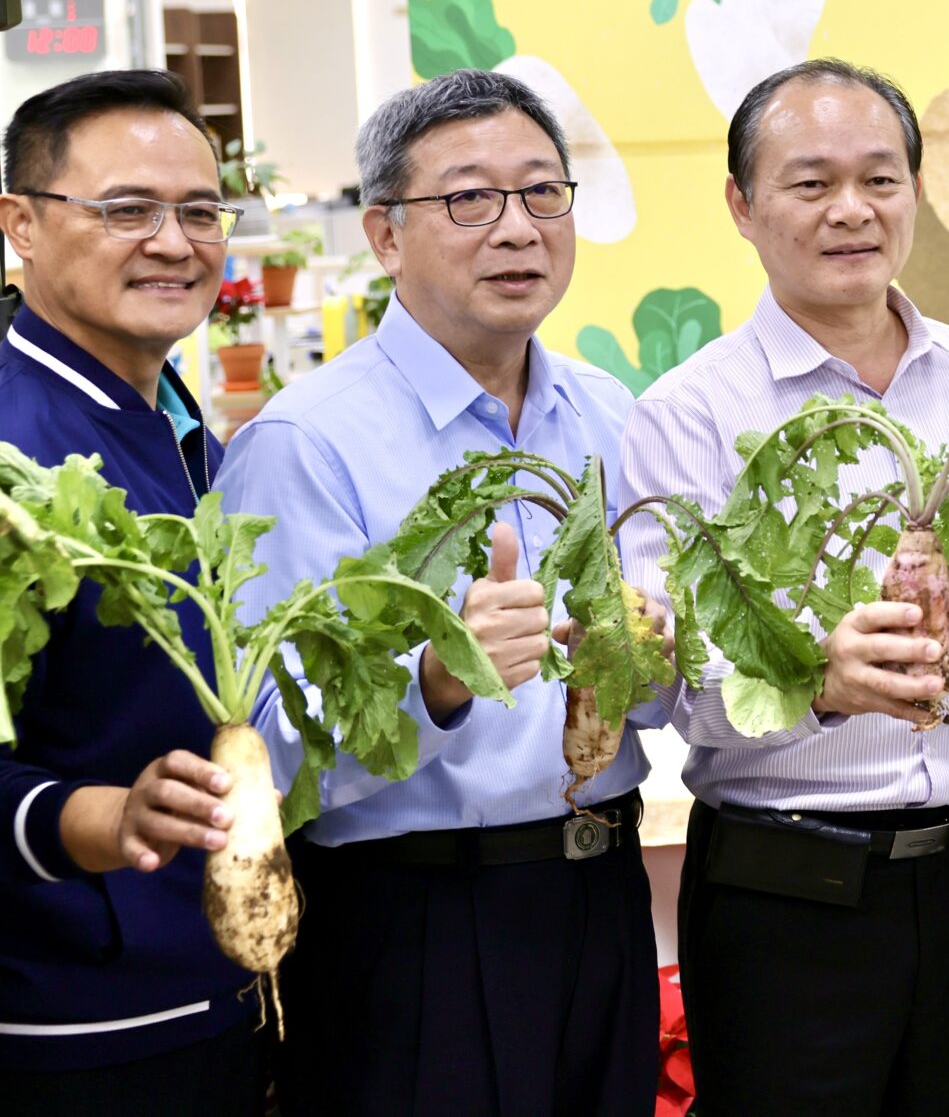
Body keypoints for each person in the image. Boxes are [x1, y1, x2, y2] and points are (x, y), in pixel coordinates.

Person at [617, 60, 949, 1116]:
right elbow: (664, 687)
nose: (851, 210)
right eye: (810, 184)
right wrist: (813, 679)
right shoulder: (686, 417)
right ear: (742, 204)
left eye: (880, 178)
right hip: (787, 898)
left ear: (914, 191)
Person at [219, 70, 661, 1116]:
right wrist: (432, 679)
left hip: (600, 888)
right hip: (415, 921)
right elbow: (266, 757)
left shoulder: (604, 411)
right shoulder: (304, 441)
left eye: (542, 192)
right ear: (382, 234)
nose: (517, 229)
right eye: (469, 199)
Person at [0, 71, 263, 1114]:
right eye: (126, 210)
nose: (174, 241)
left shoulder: (159, 409)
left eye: (200, 211)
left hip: (210, 986)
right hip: (69, 1022)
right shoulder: (17, 452)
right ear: (20, 223)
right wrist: (90, 817)